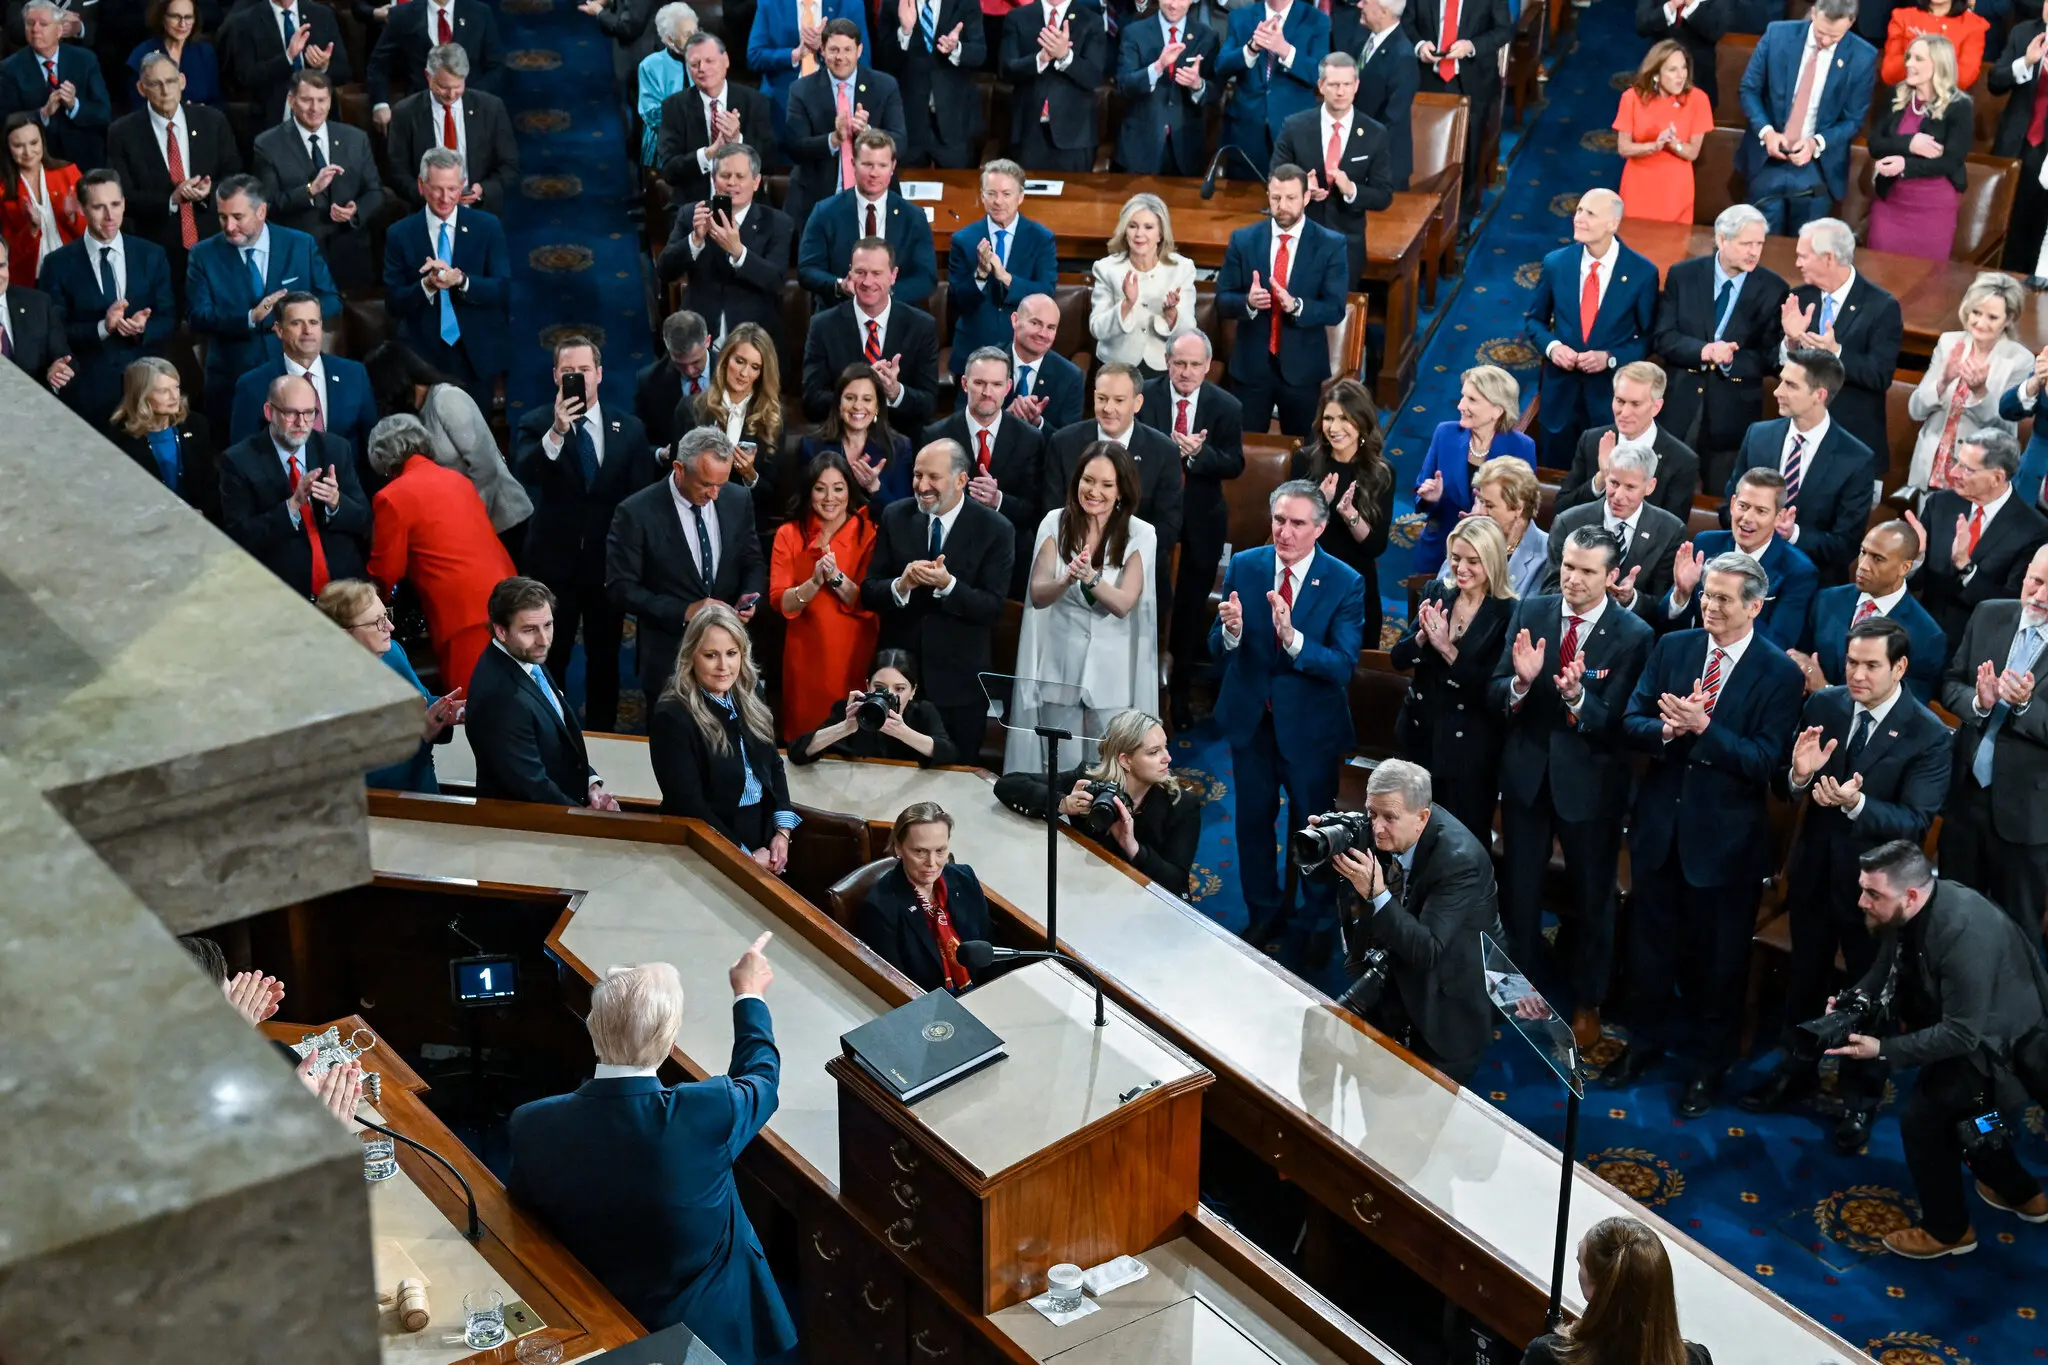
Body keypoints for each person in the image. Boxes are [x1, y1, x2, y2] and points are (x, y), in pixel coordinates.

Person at [506, 949, 797, 1359]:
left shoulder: (531, 1123)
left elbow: (527, 1216)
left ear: (593, 1031)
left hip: (595, 1313)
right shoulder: (710, 1109)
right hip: (709, 1326)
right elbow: (762, 1076)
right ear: (671, 1041)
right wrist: (748, 993)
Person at [1737, 619, 1952, 1150]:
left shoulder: (1927, 733)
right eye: (1852, 662)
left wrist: (1856, 804)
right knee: (1805, 978)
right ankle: (1796, 1070)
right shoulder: (1826, 704)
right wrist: (1799, 776)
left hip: (1878, 895)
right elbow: (1789, 788)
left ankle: (1859, 1101)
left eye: (1870, 665)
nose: (1856, 674)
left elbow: (1916, 822)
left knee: (1867, 997)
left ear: (1899, 667)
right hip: (1815, 871)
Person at [1609, 551, 1804, 1115]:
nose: (1708, 606)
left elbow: (1767, 762)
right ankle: (1641, 1045)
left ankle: (1707, 1068)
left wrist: (1705, 729)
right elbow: (1631, 720)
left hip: (1726, 847)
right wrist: (1668, 732)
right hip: (1659, 831)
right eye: (1706, 594)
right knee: (1649, 953)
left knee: (1718, 969)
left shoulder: (1779, 673)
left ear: (1755, 606)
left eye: (1722, 598)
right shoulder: (1673, 647)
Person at [1822, 842, 2048, 1258]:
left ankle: (1949, 1231)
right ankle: (2023, 1194)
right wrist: (1854, 1000)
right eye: (1862, 889)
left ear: (1910, 895)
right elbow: (1887, 964)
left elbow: (1962, 1035)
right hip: (1974, 1039)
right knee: (1977, 1125)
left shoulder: (1964, 933)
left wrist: (1882, 1048)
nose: (1862, 902)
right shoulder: (1914, 908)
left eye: (1873, 894)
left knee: (1928, 1122)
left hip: (1995, 1052)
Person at [1492, 525, 1652, 1045]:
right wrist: (1519, 682)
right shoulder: (1532, 610)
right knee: (1518, 892)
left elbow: (1623, 723)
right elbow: (1496, 691)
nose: (1573, 579)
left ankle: (1587, 1001)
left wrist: (1580, 698)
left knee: (1591, 900)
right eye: (1568, 566)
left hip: (1591, 788)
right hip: (1527, 778)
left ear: (1610, 576)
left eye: (1587, 571)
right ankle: (1512, 990)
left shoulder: (1633, 635)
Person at [1213, 480, 1365, 960]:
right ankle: (1262, 912)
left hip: (1310, 731)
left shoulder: (1345, 581)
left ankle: (1313, 920)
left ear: (1319, 528)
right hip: (1252, 723)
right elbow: (1215, 647)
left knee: (1312, 828)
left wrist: (1294, 639)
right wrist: (1231, 633)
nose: (1285, 532)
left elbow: (1342, 665)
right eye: (1279, 520)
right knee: (1253, 823)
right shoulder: (1246, 565)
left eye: (1298, 523)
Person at [513, 333, 660, 733]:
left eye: (583, 370)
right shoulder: (537, 423)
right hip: (552, 564)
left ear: (599, 373)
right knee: (551, 654)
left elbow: (640, 501)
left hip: (606, 565)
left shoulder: (628, 429)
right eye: (567, 371)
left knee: (604, 656)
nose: (576, 377)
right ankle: (550, 730)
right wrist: (558, 432)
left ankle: (602, 734)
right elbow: (526, 473)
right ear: (555, 376)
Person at [1326, 758, 1501, 1083]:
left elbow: (1428, 949)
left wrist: (1377, 893)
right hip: (1394, 981)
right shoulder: (1389, 829)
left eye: (1389, 817)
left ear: (1422, 818)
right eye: (1371, 813)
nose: (1377, 827)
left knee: (1426, 1120)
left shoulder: (1459, 861)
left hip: (1446, 1010)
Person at [1005, 441, 1159, 773]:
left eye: (1106, 484)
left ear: (1121, 491)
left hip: (1113, 678)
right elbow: (1037, 593)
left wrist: (1090, 578)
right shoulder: (1054, 523)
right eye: (1088, 480)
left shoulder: (1141, 534)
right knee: (1058, 771)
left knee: (1108, 772)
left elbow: (1123, 604)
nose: (1094, 491)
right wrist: (1064, 581)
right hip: (1060, 671)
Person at [861, 438, 1015, 758]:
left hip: (959, 687)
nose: (922, 485)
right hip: (901, 686)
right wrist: (900, 585)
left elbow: (991, 607)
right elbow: (869, 590)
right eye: (918, 476)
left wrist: (948, 586)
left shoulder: (996, 529)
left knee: (956, 777)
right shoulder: (895, 515)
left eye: (933, 477)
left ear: (961, 481)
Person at [608, 426, 768, 705]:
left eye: (721, 483)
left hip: (727, 660)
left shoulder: (737, 499)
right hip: (669, 657)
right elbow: (621, 588)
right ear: (679, 469)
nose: (715, 494)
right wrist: (686, 610)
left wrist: (749, 594)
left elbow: (752, 560)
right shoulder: (635, 512)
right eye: (706, 484)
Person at [1937, 543, 2048, 938]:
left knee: (2016, 934)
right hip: (1965, 797)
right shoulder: (1989, 613)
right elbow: (1950, 683)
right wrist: (1978, 704)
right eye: (2035, 581)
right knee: (1948, 918)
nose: (2039, 596)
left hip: (2027, 817)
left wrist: (2024, 706)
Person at [364, 414, 515, 692]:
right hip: (507, 594)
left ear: (384, 461)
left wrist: (368, 610)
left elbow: (386, 572)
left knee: (470, 708)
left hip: (462, 614)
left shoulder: (391, 496)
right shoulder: (457, 480)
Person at [1142, 331, 1246, 725]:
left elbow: (1235, 463)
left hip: (1201, 521)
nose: (1186, 372)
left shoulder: (1226, 406)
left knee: (1187, 616)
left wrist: (1200, 453)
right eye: (1179, 363)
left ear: (1208, 365)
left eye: (1194, 365)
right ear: (1167, 362)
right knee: (1149, 605)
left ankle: (1181, 700)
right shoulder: (1144, 396)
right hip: (1151, 519)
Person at [1653, 203, 1792, 494]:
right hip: (1680, 405)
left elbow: (1769, 359)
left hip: (1733, 412)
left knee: (1723, 497)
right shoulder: (1683, 275)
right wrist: (1705, 350)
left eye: (1759, 244)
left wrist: (1732, 360)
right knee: (1666, 490)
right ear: (1721, 240)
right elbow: (1663, 337)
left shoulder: (1773, 287)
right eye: (1746, 244)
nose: (1754, 252)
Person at [1390, 516, 1514, 838]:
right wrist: (1420, 638)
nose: (1461, 569)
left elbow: (1491, 690)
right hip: (1420, 739)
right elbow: (1397, 660)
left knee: (1461, 844)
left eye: (1473, 561)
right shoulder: (1436, 591)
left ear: (1492, 561)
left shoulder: (1509, 612)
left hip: (1468, 756)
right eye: (1456, 558)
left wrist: (1447, 648)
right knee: (1411, 840)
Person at [186, 174, 340, 427]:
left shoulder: (299, 245)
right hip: (233, 380)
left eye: (238, 217)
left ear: (261, 211)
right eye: (223, 217)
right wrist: (249, 318)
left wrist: (295, 315)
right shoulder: (203, 255)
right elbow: (197, 317)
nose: (229, 227)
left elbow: (332, 300)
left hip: (295, 377)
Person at [648, 603, 797, 864]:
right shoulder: (671, 716)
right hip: (707, 841)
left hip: (762, 829)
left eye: (731, 653)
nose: (723, 666)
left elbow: (773, 765)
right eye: (711, 655)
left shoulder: (751, 694)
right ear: (691, 655)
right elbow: (689, 806)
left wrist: (782, 832)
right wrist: (744, 858)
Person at [994, 709, 1199, 891]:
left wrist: (1132, 847)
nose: (1168, 758)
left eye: (1165, 747)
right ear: (1125, 760)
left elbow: (1177, 882)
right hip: (1081, 887)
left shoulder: (1181, 804)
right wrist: (1062, 803)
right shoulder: (1089, 780)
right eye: (1154, 752)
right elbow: (1010, 783)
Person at [1525, 188, 1659, 468]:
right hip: (1559, 396)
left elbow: (1647, 339)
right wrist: (1553, 347)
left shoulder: (1641, 272)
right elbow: (1534, 321)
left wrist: (1609, 357)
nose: (1579, 218)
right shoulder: (1556, 263)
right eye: (1579, 211)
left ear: (1612, 223)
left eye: (1590, 213)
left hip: (1608, 402)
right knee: (1555, 477)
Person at [1215, 165, 1351, 439]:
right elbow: (1222, 300)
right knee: (1245, 448)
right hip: (1251, 367)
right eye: (1276, 198)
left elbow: (1335, 308)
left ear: (1306, 198)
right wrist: (1249, 303)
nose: (1282, 206)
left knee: (1304, 451)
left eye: (1290, 198)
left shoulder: (1330, 244)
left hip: (1302, 370)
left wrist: (1298, 306)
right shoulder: (1244, 240)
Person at [1723, 348, 1874, 586]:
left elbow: (1845, 546)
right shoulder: (1758, 436)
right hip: (1744, 573)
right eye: (1781, 381)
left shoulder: (1855, 460)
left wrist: (1793, 534)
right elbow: (1727, 507)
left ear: (1819, 394)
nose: (1777, 391)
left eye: (1790, 385)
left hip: (1811, 583)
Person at [466, 576, 621, 807]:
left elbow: (559, 733)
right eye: (529, 629)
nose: (544, 640)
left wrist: (590, 784)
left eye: (548, 625)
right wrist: (586, 819)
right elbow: (532, 788)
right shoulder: (502, 699)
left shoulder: (523, 653)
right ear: (501, 631)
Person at [363, 338, 530, 551]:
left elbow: (484, 467)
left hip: (501, 520)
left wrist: (467, 521)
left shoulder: (447, 399)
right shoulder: (413, 414)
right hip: (466, 524)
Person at [40, 168, 174, 428]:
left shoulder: (152, 254)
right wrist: (103, 327)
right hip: (90, 391)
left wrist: (143, 327)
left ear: (124, 203)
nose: (110, 215)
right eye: (98, 207)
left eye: (115, 204)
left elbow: (168, 317)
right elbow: (55, 331)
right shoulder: (57, 264)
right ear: (82, 209)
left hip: (148, 388)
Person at [1735, 0, 1880, 236]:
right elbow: (1749, 90)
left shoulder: (1863, 56)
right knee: (1758, 244)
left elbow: (1853, 120)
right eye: (1821, 32)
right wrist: (1767, 132)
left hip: (1817, 169)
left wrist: (1816, 143)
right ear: (1813, 13)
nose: (1824, 41)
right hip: (1767, 160)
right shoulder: (1777, 35)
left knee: (1806, 252)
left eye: (1834, 37)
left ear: (1851, 23)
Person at [218, 373, 369, 599]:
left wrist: (336, 503)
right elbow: (240, 536)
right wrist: (291, 506)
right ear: (269, 412)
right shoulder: (239, 461)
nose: (302, 423)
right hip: (283, 593)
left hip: (344, 589)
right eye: (291, 413)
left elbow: (364, 519)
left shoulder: (335, 448)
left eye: (309, 413)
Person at [382, 147, 510, 409]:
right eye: (437, 188)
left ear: (462, 184)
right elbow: (394, 302)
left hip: (474, 354)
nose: (445, 197)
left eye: (452, 188)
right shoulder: (400, 234)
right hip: (422, 357)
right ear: (421, 185)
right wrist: (426, 285)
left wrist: (461, 281)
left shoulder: (487, 227)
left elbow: (502, 289)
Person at [107, 52, 241, 292]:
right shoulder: (123, 133)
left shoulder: (212, 121)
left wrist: (212, 190)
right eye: (156, 84)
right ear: (140, 88)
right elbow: (122, 195)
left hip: (213, 239)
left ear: (182, 81)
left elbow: (235, 175)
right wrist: (171, 199)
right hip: (157, 245)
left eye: (170, 81)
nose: (165, 90)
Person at [769, 448, 879, 739]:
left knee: (851, 735)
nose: (830, 498)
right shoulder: (789, 534)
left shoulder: (868, 532)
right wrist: (814, 582)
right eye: (820, 489)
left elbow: (868, 599)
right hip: (805, 655)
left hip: (853, 651)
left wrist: (834, 577)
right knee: (805, 739)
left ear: (850, 490)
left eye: (838, 488)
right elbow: (780, 601)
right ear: (809, 491)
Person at [1041, 364, 1183, 585]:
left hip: (1138, 570)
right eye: (1102, 398)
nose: (1108, 408)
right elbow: (1052, 510)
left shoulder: (1164, 451)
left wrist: (1116, 556)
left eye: (1119, 400)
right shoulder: (1063, 442)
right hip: (1069, 563)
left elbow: (1168, 525)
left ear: (1137, 403)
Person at [316, 578, 462, 793]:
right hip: (385, 809)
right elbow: (368, 775)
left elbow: (423, 702)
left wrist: (456, 710)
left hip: (424, 790)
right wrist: (422, 734)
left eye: (386, 615)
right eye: (376, 622)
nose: (390, 627)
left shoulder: (391, 652)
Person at [1780, 218, 1903, 469]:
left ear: (1828, 258)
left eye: (1803, 256)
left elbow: (1879, 375)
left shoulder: (1881, 306)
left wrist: (1835, 352)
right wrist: (1791, 341)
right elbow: (1777, 364)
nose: (1797, 263)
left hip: (1851, 446)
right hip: (1798, 440)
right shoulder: (1800, 297)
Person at [925, 345, 1044, 598]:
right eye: (979, 383)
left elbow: (1033, 508)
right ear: (965, 384)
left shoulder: (1030, 439)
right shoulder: (935, 436)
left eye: (996, 384)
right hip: (950, 554)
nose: (987, 392)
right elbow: (924, 500)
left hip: (1007, 557)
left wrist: (998, 500)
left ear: (1008, 387)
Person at [1271, 52, 1397, 290]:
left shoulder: (1374, 133)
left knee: (1339, 316)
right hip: (1299, 239)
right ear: (1321, 86)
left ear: (1356, 86)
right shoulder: (1294, 126)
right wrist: (1302, 189)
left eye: (1347, 85)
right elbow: (1274, 178)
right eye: (1334, 84)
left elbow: (1384, 195)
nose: (1341, 92)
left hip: (1347, 246)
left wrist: (1352, 190)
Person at [1520, 1216, 1716, 1365]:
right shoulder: (1697, 1359)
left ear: (1595, 1290)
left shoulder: (1548, 1356)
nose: (1579, 1258)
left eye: (1581, 1262)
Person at [1910, 432, 2048, 642]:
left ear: (1997, 478)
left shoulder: (2033, 528)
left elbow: (2011, 603)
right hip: (1922, 631)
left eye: (1967, 468)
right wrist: (1914, 558)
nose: (1954, 472)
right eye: (1957, 462)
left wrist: (1966, 567)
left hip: (1978, 643)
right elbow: (1916, 582)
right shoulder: (1939, 504)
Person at [251, 70, 383, 291]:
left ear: (330, 101)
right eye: (306, 100)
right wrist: (310, 190)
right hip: (299, 256)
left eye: (322, 100)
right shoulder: (268, 145)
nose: (315, 108)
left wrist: (355, 211)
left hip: (350, 254)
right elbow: (269, 205)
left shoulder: (355, 138)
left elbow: (375, 192)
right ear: (291, 101)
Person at [657, 142, 793, 350]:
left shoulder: (777, 223)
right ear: (713, 180)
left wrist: (739, 252)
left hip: (753, 341)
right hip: (697, 340)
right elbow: (665, 270)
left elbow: (776, 281)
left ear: (756, 182)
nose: (732, 183)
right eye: (725, 176)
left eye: (740, 176)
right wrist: (694, 240)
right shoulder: (691, 214)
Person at [1793, 519, 1947, 702]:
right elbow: (1802, 655)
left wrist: (1825, 690)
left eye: (1878, 558)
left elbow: (1902, 710)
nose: (1863, 565)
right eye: (1863, 552)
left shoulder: (1926, 635)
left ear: (1904, 568)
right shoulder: (1826, 600)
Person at [1907, 273, 2032, 495]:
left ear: (2009, 319)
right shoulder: (1949, 343)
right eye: (1976, 312)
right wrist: (1943, 381)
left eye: (1992, 317)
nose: (1980, 323)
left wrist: (1981, 393)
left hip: (1977, 474)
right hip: (1930, 467)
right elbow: (1915, 410)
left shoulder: (2019, 360)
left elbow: (2006, 432)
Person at [227, 291, 377, 475]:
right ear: (279, 330)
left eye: (314, 322)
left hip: (345, 493)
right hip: (283, 495)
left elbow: (371, 443)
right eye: (297, 323)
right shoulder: (252, 385)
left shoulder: (354, 374)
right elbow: (243, 457)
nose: (307, 331)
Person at [1292, 376, 1394, 646]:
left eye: (1344, 419)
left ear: (1361, 422)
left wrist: (1350, 514)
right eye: (1328, 418)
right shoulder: (1304, 461)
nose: (1334, 428)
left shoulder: (1380, 473)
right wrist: (1320, 505)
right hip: (1310, 579)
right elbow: (1289, 532)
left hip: (1356, 583)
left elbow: (1375, 546)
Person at [799, 238, 941, 432]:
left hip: (901, 441)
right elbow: (811, 401)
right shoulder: (823, 326)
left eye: (876, 273)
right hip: (840, 441)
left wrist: (895, 392)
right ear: (850, 274)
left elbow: (928, 404)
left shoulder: (921, 326)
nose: (867, 282)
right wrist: (856, 396)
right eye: (860, 272)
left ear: (893, 276)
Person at [1664, 468, 1818, 645]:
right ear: (1732, 504)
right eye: (1743, 506)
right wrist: (1682, 593)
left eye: (1760, 511)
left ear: (1779, 517)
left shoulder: (1798, 571)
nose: (1747, 518)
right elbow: (1664, 623)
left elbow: (1778, 643)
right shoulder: (1706, 544)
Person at [1413, 364, 1538, 575]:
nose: (1461, 405)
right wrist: (1431, 498)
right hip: (1441, 547)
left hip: (1491, 556)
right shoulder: (1445, 434)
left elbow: (1524, 511)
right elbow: (1421, 491)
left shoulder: (1521, 447)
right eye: (1463, 397)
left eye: (1472, 400)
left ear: (1497, 410)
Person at [780, 24, 906, 232]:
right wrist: (834, 139)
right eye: (834, 50)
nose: (841, 57)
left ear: (859, 51)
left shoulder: (885, 86)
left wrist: (869, 134)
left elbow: (900, 143)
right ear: (822, 50)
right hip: (817, 199)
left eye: (847, 50)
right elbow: (794, 147)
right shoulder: (801, 90)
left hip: (872, 199)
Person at [795, 131, 933, 311]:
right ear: (853, 164)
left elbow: (926, 278)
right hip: (839, 315)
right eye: (867, 164)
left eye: (882, 165)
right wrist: (839, 285)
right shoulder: (825, 212)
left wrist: (884, 294)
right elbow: (807, 270)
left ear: (893, 167)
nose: (874, 173)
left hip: (897, 317)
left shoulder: (913, 217)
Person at [857, 802, 989, 991]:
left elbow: (990, 950)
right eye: (920, 851)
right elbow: (897, 986)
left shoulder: (965, 879)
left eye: (940, 851)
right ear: (898, 848)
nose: (932, 863)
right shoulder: (880, 908)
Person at [382, 44, 521, 219]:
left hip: (479, 213)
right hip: (425, 214)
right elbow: (396, 171)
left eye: (457, 86)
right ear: (428, 76)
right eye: (443, 87)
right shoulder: (405, 113)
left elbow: (509, 165)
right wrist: (428, 195)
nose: (451, 94)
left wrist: (483, 190)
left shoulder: (491, 109)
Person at [1543, 445, 1685, 614]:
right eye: (1614, 483)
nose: (1618, 495)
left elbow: (1662, 606)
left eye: (1630, 487)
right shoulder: (1568, 522)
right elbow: (1548, 591)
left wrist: (1631, 599)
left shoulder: (1670, 531)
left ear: (1650, 486)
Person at [1866, 34, 1972, 261]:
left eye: (1918, 59)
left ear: (1939, 64)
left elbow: (1951, 161)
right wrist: (1910, 143)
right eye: (1908, 57)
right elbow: (1875, 144)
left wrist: (1905, 164)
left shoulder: (1959, 106)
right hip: (1890, 203)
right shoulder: (1896, 95)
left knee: (1925, 283)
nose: (1908, 64)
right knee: (1879, 270)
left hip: (1933, 208)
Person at [1556, 362, 1702, 524]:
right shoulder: (1592, 441)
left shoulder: (1681, 460)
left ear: (1656, 407)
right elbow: (1562, 510)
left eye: (1635, 404)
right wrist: (1602, 477)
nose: (1624, 413)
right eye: (1620, 401)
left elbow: (1672, 532)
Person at [945, 159, 1053, 374]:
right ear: (982, 196)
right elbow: (958, 301)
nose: (998, 201)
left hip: (1022, 349)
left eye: (1006, 194)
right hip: (973, 351)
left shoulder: (1041, 239)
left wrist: (1006, 278)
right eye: (991, 193)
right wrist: (981, 275)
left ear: (1020, 196)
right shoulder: (963, 240)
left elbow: (1046, 293)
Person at [1087, 192, 1197, 382]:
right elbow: (1097, 329)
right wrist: (1127, 304)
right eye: (1133, 226)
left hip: (1164, 365)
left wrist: (1172, 315)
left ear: (1161, 233)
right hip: (1117, 366)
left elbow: (1189, 332)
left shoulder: (1182, 269)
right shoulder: (1106, 268)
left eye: (1148, 227)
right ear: (1124, 230)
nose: (1139, 234)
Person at [1213, 0, 1328, 175]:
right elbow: (1221, 66)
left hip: (1294, 133)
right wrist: (1250, 49)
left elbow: (1319, 74)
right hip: (1247, 131)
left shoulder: (1316, 19)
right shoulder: (1241, 17)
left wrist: (1285, 50)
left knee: (1291, 197)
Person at [790, 648, 958, 765]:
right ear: (867, 686)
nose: (889, 695)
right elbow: (797, 753)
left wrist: (904, 733)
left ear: (913, 691)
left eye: (899, 689)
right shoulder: (850, 709)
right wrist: (845, 727)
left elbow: (950, 754)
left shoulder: (923, 712)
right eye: (879, 688)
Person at [1112, 0, 1221, 177]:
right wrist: (1157, 67)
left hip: (1187, 150)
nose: (1173, 4)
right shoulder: (1134, 32)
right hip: (1140, 149)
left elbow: (1215, 94)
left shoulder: (1207, 37)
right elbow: (1124, 86)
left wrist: (1197, 85)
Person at [748, 0, 872, 153]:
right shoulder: (770, 4)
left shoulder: (849, 4)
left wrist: (826, 48)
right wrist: (794, 55)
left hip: (835, 102)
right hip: (782, 104)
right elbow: (754, 56)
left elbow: (863, 60)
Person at [1000, 0, 1110, 171]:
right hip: (1028, 132)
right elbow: (1006, 70)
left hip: (1074, 137)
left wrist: (1065, 56)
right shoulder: (1017, 17)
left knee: (1073, 197)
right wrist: (1040, 59)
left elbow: (1093, 77)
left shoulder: (1091, 20)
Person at [873, 0, 986, 167]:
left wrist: (956, 49)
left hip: (954, 122)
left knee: (957, 190)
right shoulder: (893, 3)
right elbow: (883, 61)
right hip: (909, 121)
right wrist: (905, 33)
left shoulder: (966, 3)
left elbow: (980, 53)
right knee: (908, 188)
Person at [654, 31, 770, 194]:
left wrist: (737, 141)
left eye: (709, 61)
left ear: (726, 60)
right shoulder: (674, 107)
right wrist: (709, 153)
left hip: (745, 205)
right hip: (694, 205)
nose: (702, 69)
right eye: (695, 64)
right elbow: (669, 171)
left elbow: (768, 161)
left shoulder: (755, 102)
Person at [0, 2, 110, 170]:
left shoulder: (85, 60)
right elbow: (6, 121)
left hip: (84, 159)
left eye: (43, 24)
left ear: (59, 31)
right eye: (30, 23)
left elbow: (103, 114)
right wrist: (43, 113)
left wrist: (74, 106)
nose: (35, 29)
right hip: (38, 162)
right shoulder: (9, 69)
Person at [1613, 41, 1712, 225]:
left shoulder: (1698, 100)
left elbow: (1692, 152)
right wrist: (1654, 146)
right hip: (1638, 185)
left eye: (1683, 68)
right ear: (1656, 75)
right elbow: (1623, 148)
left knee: (1672, 247)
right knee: (1635, 242)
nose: (1681, 76)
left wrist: (1673, 143)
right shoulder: (1631, 98)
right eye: (1672, 70)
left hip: (1675, 190)